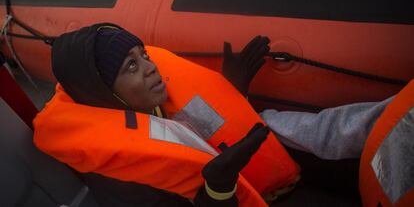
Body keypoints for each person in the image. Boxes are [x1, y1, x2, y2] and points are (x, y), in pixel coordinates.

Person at [33, 22, 394, 206]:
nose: (150, 67)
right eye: (130, 66)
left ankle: (399, 121)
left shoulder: (159, 101)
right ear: (105, 93)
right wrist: (217, 190)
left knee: (321, 129)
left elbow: (228, 124)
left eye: (144, 54)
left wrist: (233, 90)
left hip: (269, 171)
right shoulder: (119, 175)